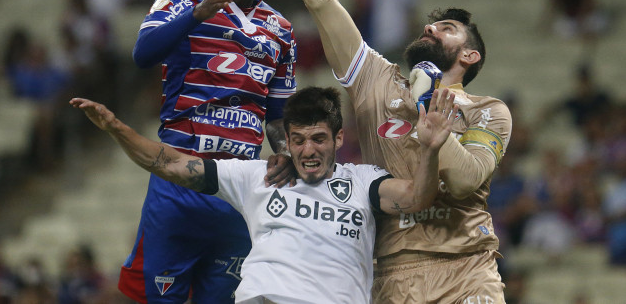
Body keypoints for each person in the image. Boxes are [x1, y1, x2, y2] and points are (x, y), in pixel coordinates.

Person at [259, 0, 512, 303]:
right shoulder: (374, 79)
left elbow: (468, 180)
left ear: (470, 56)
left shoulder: (489, 110)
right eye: (431, 22)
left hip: (467, 268)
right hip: (393, 273)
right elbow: (322, 0)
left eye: (447, 28)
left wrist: (427, 105)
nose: (430, 25)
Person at [70, 85, 458, 304]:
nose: (309, 151)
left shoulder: (364, 181)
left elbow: (415, 198)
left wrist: (431, 148)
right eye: (299, 140)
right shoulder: (256, 175)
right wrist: (116, 128)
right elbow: (172, 165)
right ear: (286, 141)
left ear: (339, 138)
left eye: (320, 139)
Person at [123, 0, 298, 303]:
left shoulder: (281, 29)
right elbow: (143, 55)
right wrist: (196, 15)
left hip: (237, 189)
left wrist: (286, 152)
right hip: (178, 180)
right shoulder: (179, 0)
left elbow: (277, 116)